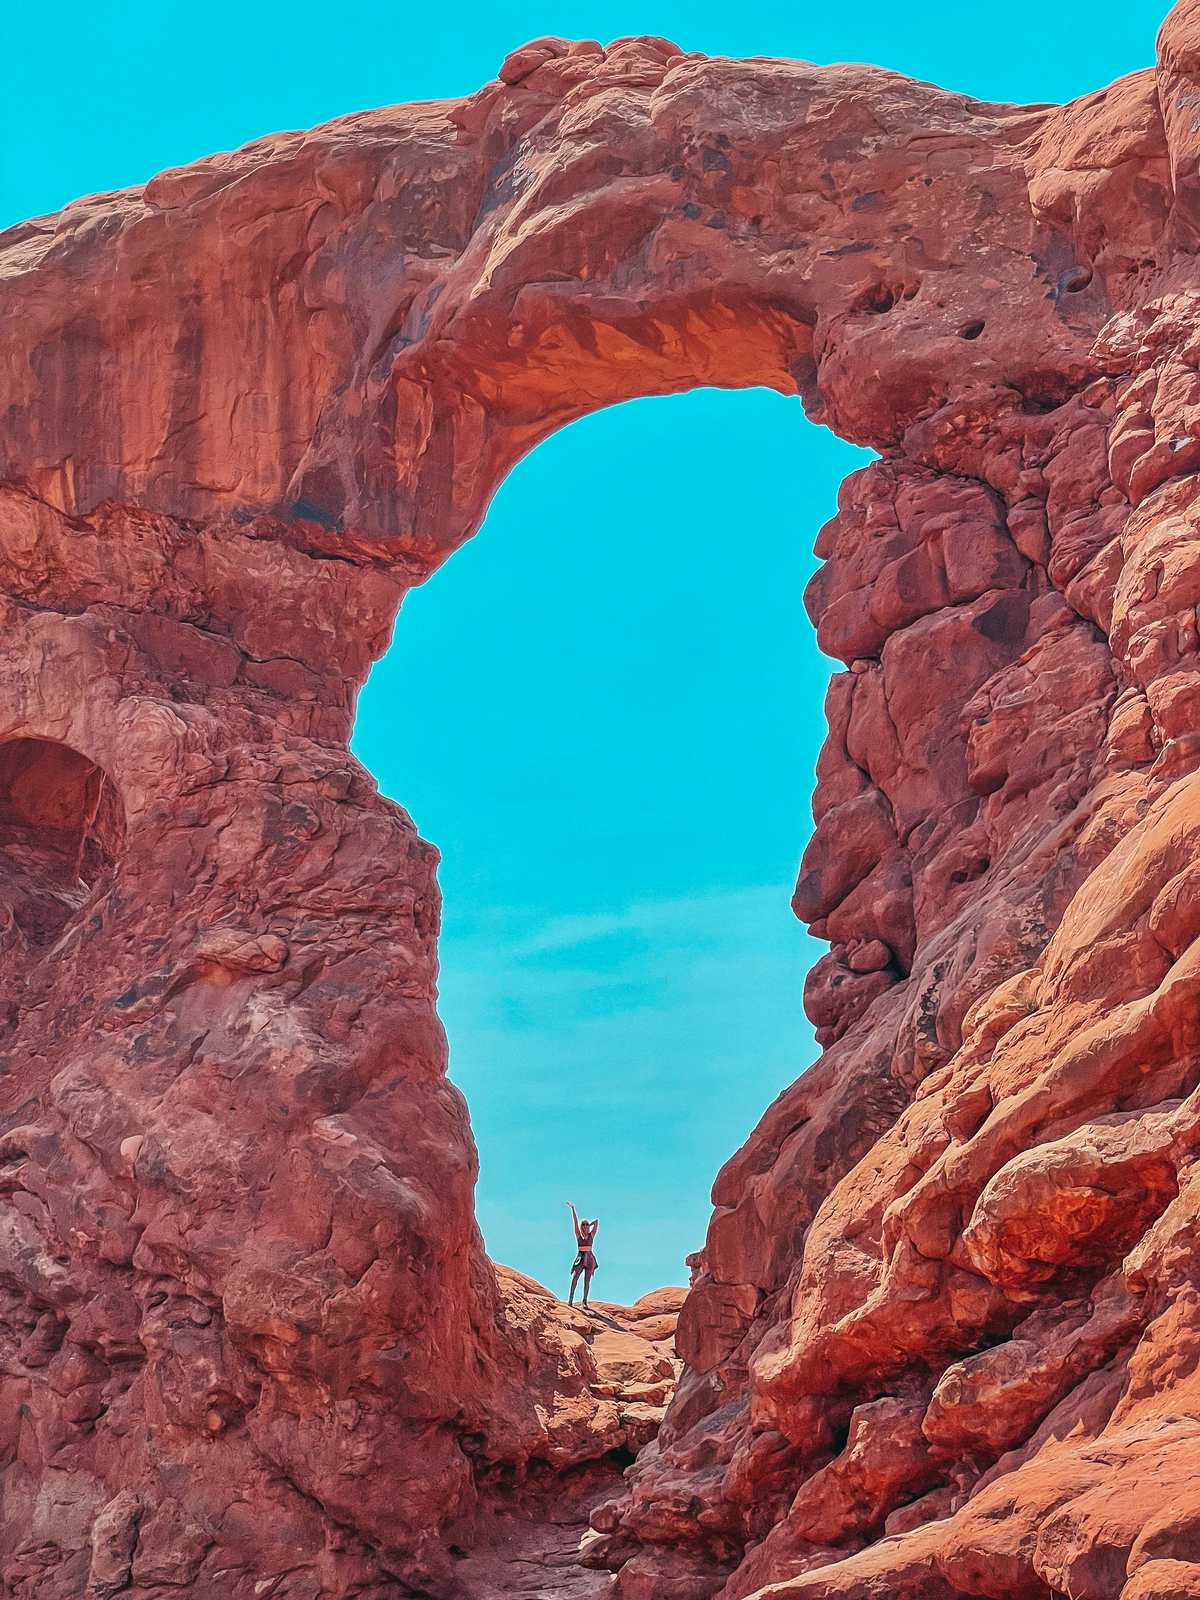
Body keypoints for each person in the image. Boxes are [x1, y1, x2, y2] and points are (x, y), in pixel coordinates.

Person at [566, 1201, 599, 1308]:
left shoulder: (591, 1235)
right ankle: (570, 1301)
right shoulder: (578, 1235)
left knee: (587, 1281)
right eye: (583, 1224)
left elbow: (596, 1222)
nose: (585, 1226)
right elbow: (575, 1222)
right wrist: (573, 1209)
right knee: (574, 1278)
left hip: (589, 1258)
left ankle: (584, 1301)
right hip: (580, 1257)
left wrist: (590, 1224)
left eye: (586, 1224)